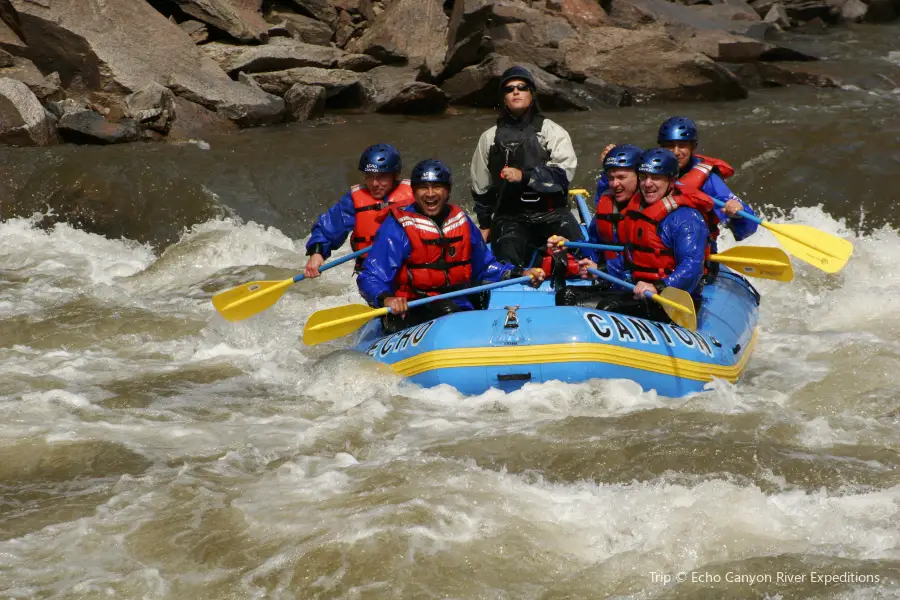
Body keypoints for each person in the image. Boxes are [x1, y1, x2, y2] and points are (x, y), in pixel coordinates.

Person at [358, 159, 545, 333]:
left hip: (455, 302)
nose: (430, 194)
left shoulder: (461, 221)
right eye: (423, 188)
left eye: (437, 187)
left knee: (479, 296)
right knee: (447, 310)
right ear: (414, 192)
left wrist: (521, 273)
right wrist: (386, 298)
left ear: (448, 191)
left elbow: (485, 267)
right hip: (412, 307)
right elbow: (370, 275)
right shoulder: (397, 227)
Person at [576, 148, 716, 323]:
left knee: (608, 308)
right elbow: (632, 258)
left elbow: (692, 267)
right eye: (643, 177)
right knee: (568, 296)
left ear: (671, 181)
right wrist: (601, 270)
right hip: (640, 292)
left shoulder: (686, 218)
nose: (648, 184)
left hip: (672, 300)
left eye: (656, 178)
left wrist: (659, 286)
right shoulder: (637, 212)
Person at [469, 66, 584, 267]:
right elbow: (481, 187)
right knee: (507, 262)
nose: (515, 91)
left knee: (580, 258)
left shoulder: (551, 131)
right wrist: (485, 224)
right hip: (510, 217)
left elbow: (563, 173)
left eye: (522, 87)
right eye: (509, 89)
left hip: (553, 214)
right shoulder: (489, 138)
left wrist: (524, 176)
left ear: (531, 94)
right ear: (503, 98)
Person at [304, 143, 414, 277]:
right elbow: (328, 228)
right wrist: (317, 253)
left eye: (381, 176)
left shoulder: (416, 195)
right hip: (372, 273)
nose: (374, 184)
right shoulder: (354, 200)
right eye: (369, 176)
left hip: (408, 270)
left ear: (395, 175)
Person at [656, 116, 758, 252]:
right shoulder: (649, 170)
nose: (676, 152)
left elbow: (749, 225)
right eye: (670, 146)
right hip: (656, 250)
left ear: (693, 148)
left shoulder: (707, 179)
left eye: (682, 146)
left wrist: (738, 212)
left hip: (694, 252)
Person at [588, 143, 643, 264]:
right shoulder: (607, 204)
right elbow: (593, 247)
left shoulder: (653, 211)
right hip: (610, 274)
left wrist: (604, 269)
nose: (614, 184)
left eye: (621, 177)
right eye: (611, 178)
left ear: (640, 177)